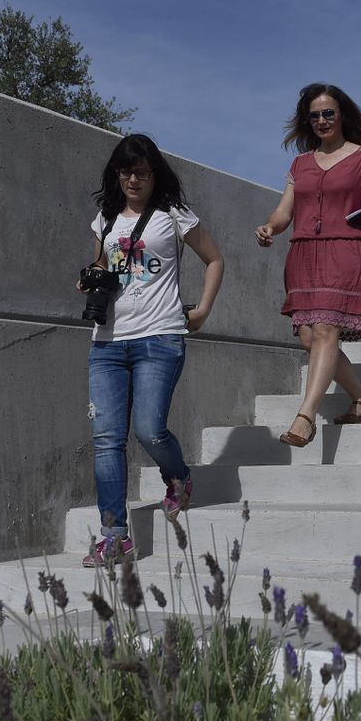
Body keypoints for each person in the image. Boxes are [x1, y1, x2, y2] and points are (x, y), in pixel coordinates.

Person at [80, 134, 224, 566]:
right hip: (107, 342)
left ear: (154, 173)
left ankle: (179, 477)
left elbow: (215, 259)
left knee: (149, 429)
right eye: (126, 171)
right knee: (106, 440)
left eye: (141, 171)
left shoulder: (172, 214)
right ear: (116, 174)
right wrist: (90, 277)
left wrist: (203, 310)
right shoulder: (104, 219)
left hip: (159, 337)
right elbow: (101, 266)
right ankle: (115, 536)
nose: (133, 179)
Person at [255, 84, 361, 446]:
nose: (321, 120)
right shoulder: (299, 163)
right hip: (303, 253)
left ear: (342, 114)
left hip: (346, 250)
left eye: (328, 113)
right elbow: (285, 211)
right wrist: (270, 226)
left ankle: (305, 416)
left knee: (326, 330)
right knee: (308, 337)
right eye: (314, 115)